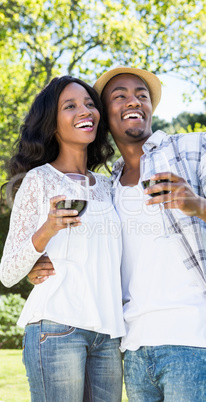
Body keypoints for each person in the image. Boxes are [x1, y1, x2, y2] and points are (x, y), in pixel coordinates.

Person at [28, 67, 206, 401]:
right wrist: (39, 261)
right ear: (103, 116)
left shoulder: (194, 148)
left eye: (141, 94)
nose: (133, 101)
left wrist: (198, 205)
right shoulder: (104, 187)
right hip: (133, 348)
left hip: (195, 338)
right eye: (119, 95)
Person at [0, 76, 125, 402]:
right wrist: (48, 229)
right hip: (57, 328)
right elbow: (8, 272)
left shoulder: (108, 185)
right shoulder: (38, 181)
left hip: (109, 334)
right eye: (70, 106)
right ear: (52, 124)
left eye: (88, 104)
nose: (85, 111)